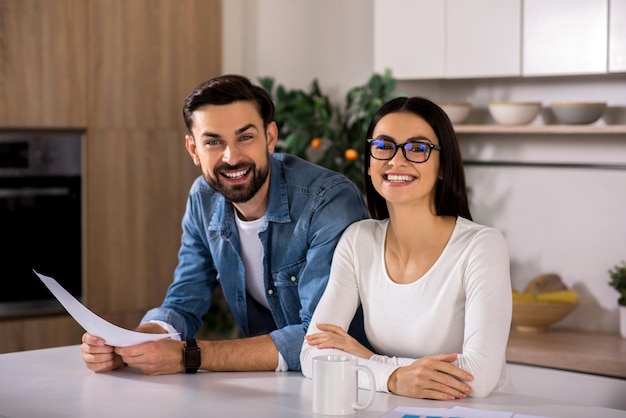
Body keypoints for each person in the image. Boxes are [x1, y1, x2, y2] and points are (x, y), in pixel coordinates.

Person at [80, 74, 369, 375]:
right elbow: (183, 303)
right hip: (272, 385)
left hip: (351, 383)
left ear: (270, 138)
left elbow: (321, 339)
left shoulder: (326, 201)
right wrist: (132, 344)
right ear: (193, 150)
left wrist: (189, 355)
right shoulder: (203, 199)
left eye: (245, 137)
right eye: (214, 142)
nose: (231, 157)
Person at [300, 96, 513, 399]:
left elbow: (476, 378)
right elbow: (312, 355)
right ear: (370, 161)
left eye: (418, 148)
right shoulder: (358, 240)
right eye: (384, 146)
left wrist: (373, 363)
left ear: (443, 166)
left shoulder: (481, 246)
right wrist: (395, 378)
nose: (396, 160)